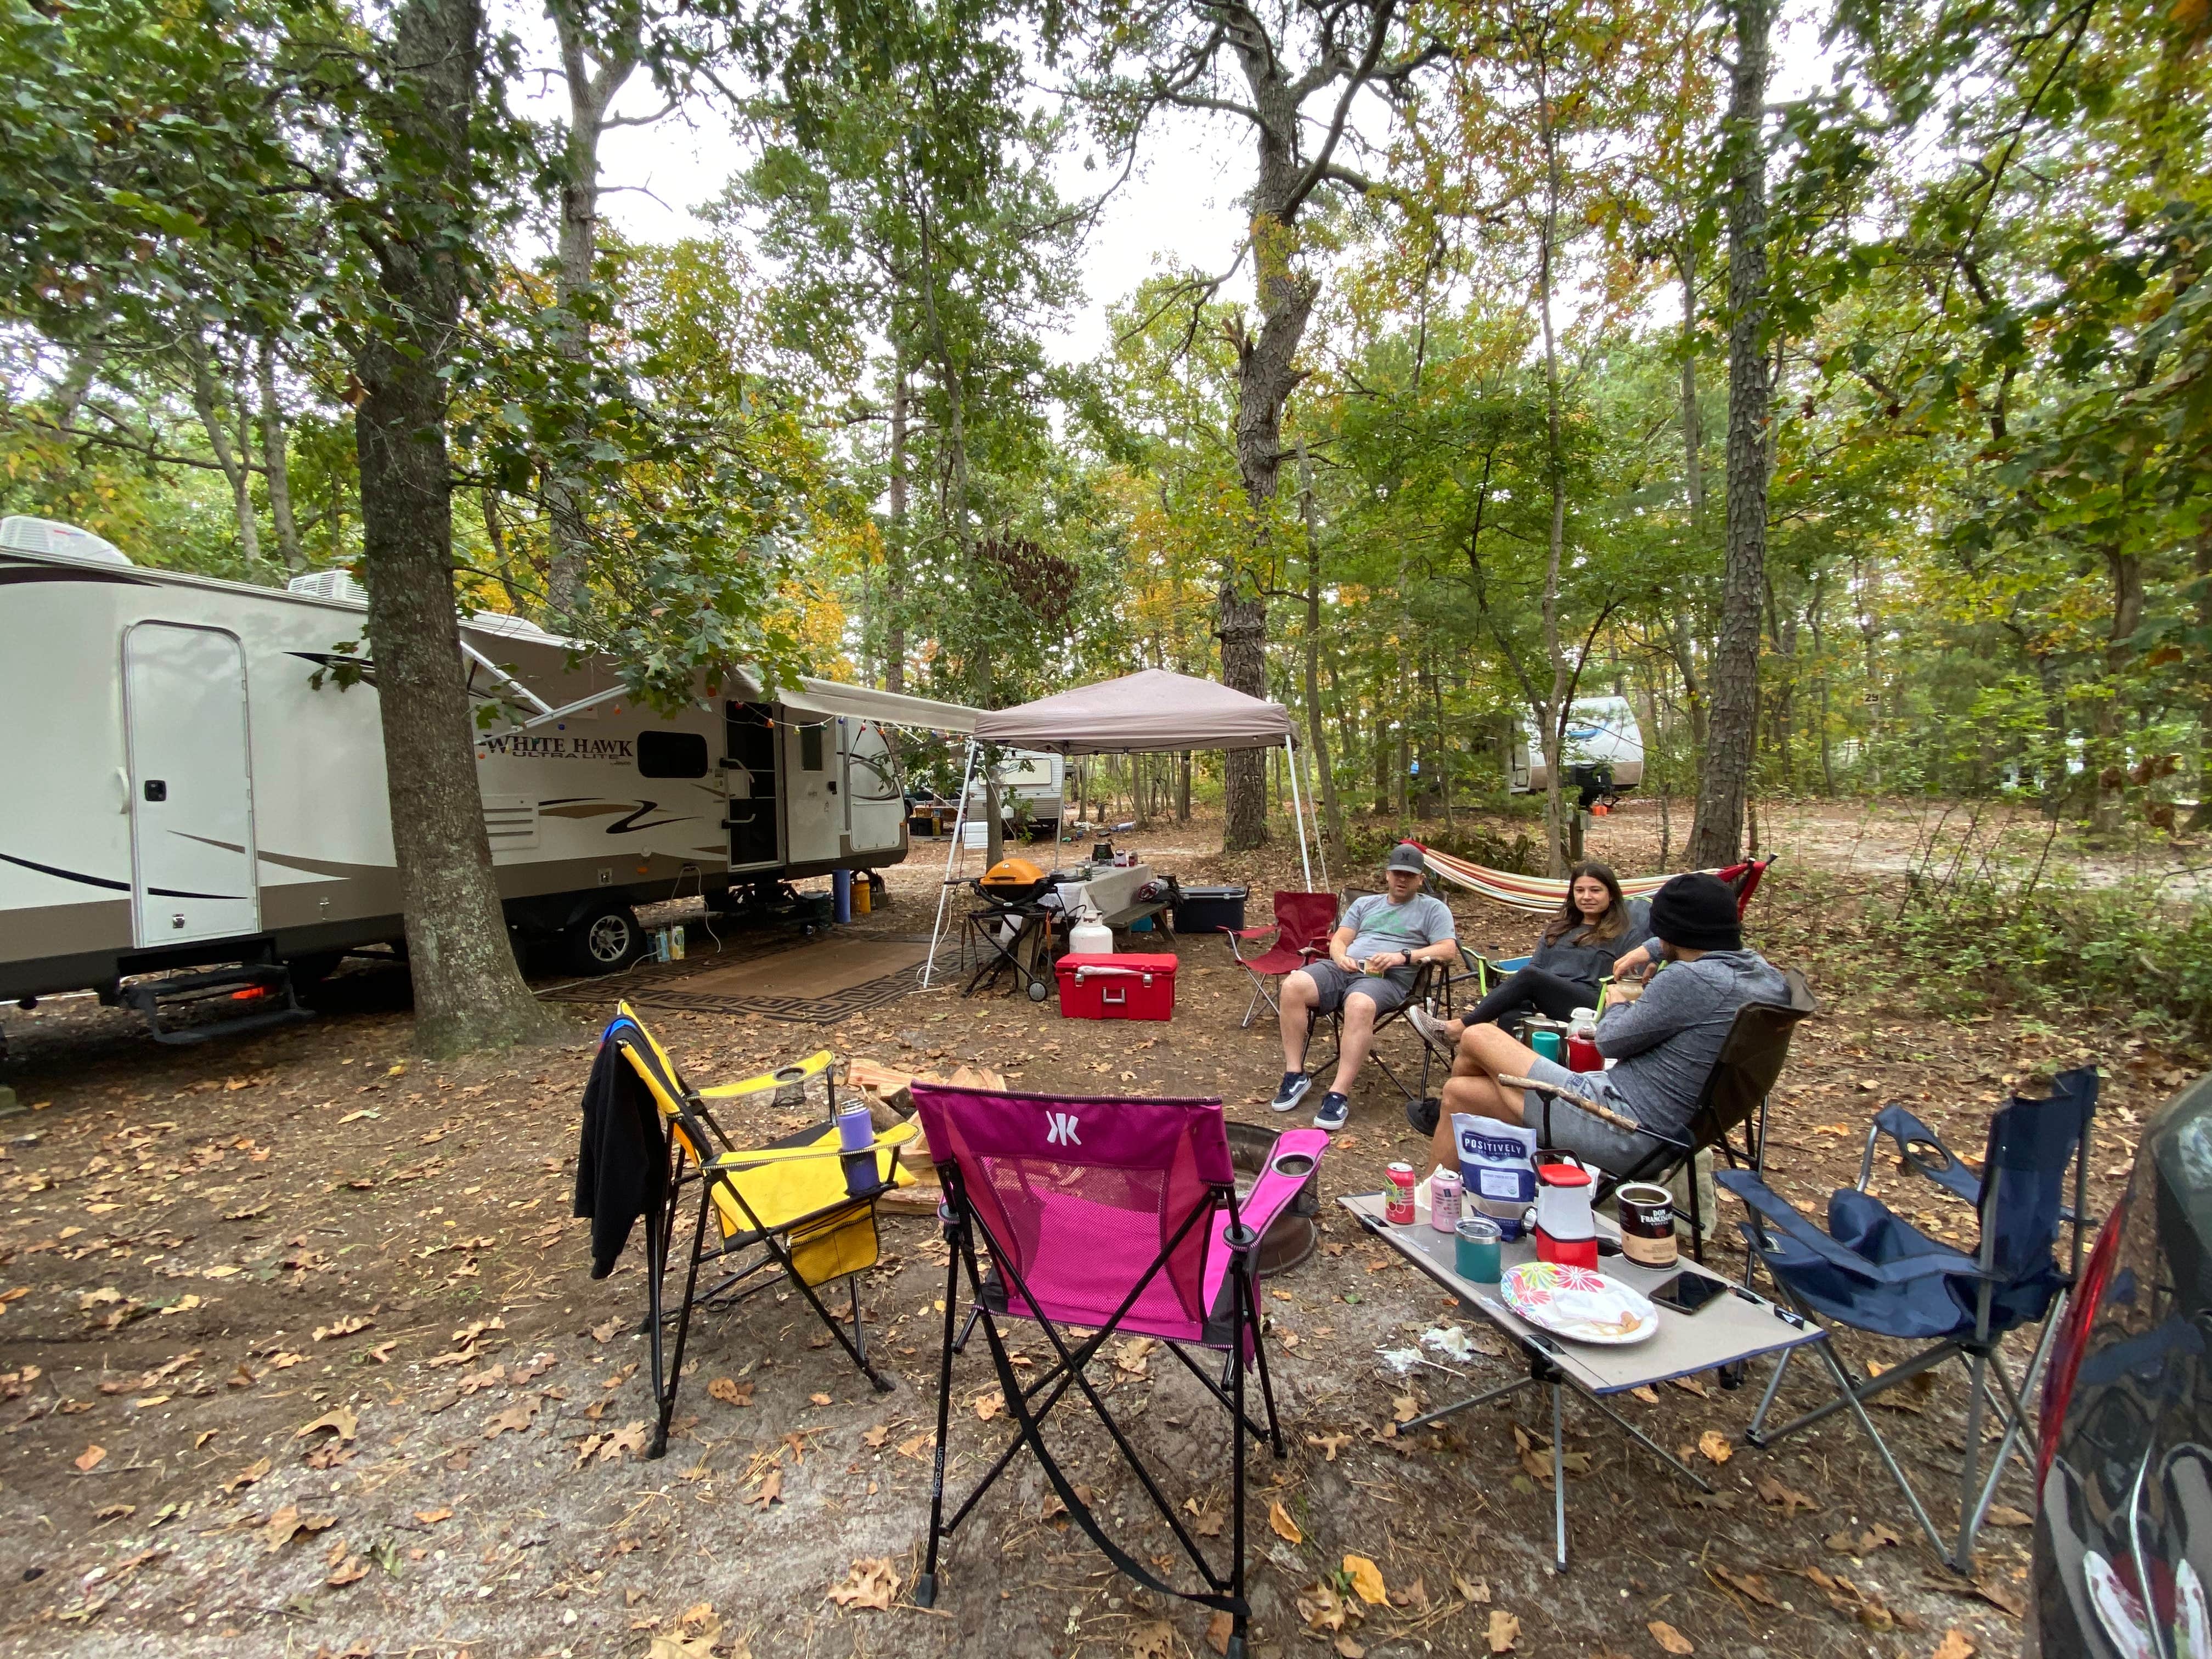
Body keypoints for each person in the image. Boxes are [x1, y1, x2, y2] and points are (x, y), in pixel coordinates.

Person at [1421, 871, 1785, 1174]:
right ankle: (1434, 1198)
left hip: (1619, 1127)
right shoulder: (1765, 978)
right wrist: (1655, 949)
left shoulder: (1690, 981)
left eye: (1661, 935)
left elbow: (1608, 1042)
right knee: (1459, 1095)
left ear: (1673, 932)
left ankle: (1491, 1161)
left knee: (1481, 1035)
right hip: (1673, 1132)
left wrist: (1619, 1003)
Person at [1270, 843, 1459, 1133]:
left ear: (1421, 879)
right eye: (1397, 873)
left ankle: (1338, 1094)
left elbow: (1448, 950)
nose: (1402, 879)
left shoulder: (1434, 909)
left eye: (1410, 875)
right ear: (1387, 874)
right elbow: (1340, 939)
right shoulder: (1364, 905)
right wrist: (1339, 956)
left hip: (1387, 979)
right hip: (1344, 968)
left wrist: (1403, 956)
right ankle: (1295, 1074)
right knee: (1294, 985)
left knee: (1359, 1005)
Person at [1406, 861, 1654, 1068]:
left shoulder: (1625, 931)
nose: (1587, 897)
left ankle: (1456, 1030)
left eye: (1595, 890)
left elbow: (1630, 979)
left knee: (1529, 977)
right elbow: (1538, 965)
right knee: (1511, 1012)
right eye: (1580, 891)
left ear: (1611, 894)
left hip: (1590, 1004)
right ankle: (1506, 1073)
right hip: (1544, 995)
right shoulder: (1560, 927)